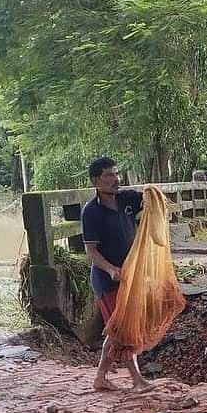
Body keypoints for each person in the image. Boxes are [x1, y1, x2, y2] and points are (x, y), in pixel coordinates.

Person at [82, 157, 152, 392]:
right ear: (96, 181)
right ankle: (137, 379)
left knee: (116, 330)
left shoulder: (127, 200)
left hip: (130, 278)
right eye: (109, 175)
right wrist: (111, 268)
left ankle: (100, 378)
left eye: (116, 174)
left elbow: (151, 198)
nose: (115, 179)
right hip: (107, 281)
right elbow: (91, 251)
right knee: (122, 330)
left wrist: (153, 195)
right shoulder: (91, 212)